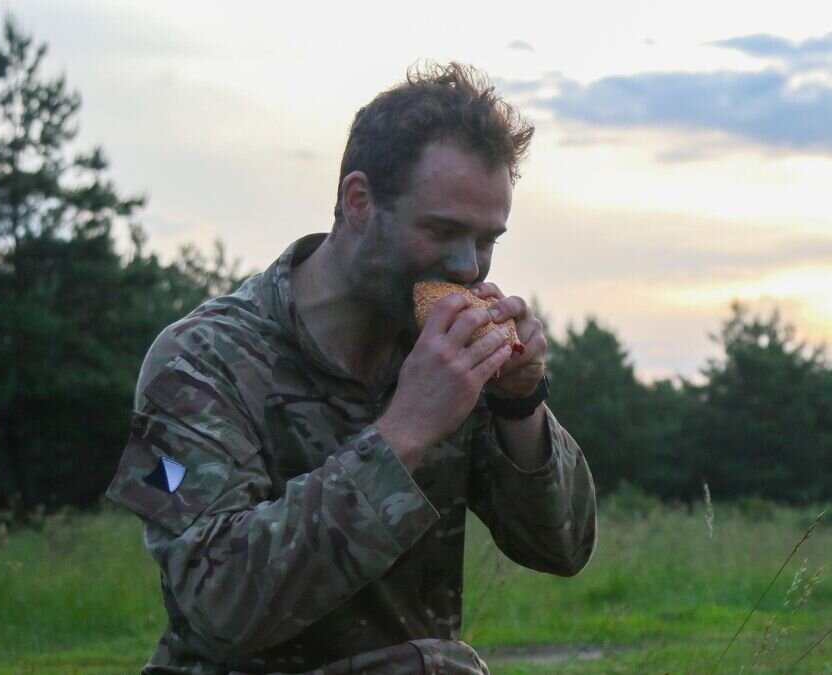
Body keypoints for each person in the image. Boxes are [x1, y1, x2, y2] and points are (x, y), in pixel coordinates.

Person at [106, 62, 597, 674]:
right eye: (442, 230)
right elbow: (216, 605)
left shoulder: (441, 350)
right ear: (358, 201)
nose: (469, 266)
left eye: (487, 238)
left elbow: (563, 548)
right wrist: (405, 432)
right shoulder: (196, 363)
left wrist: (521, 404)